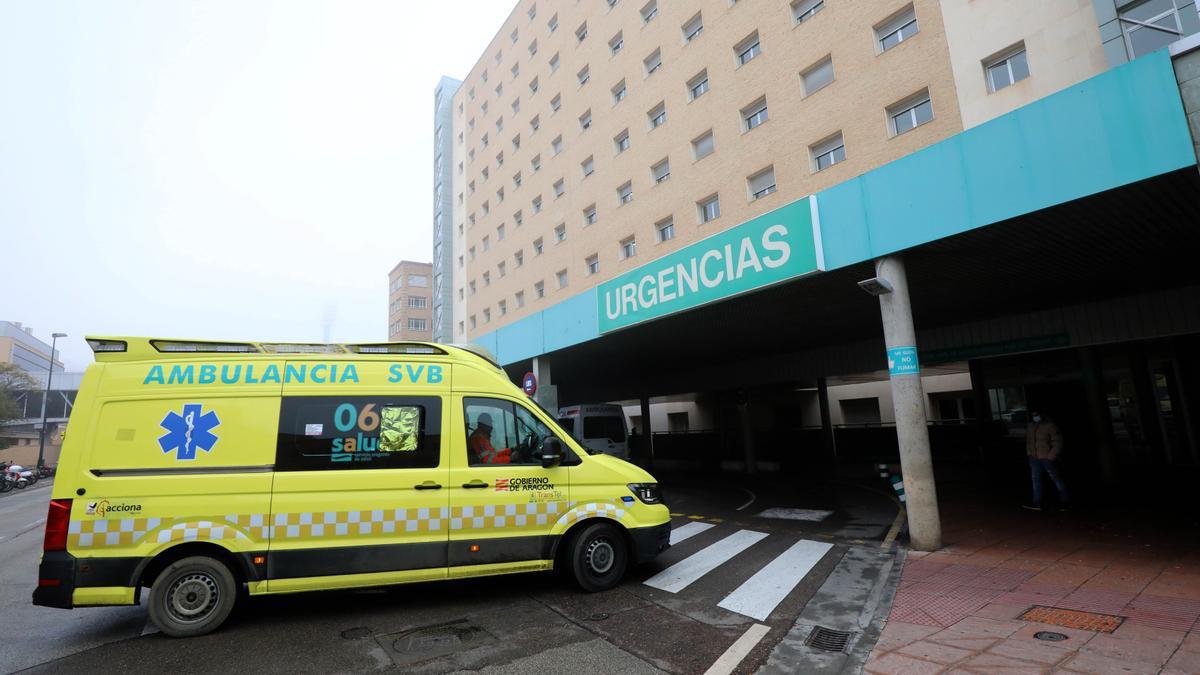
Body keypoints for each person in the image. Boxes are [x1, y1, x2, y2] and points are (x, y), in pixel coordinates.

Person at [1024, 410, 1069, 511]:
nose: (1035, 416)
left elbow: (1058, 442)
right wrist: (1030, 454)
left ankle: (1065, 501)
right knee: (1036, 480)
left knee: (1056, 479)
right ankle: (1037, 502)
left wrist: (1051, 456)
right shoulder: (1031, 426)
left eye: (1037, 415)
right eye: (1033, 415)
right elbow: (1029, 441)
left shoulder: (1050, 426)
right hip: (1034, 458)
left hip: (1046, 457)